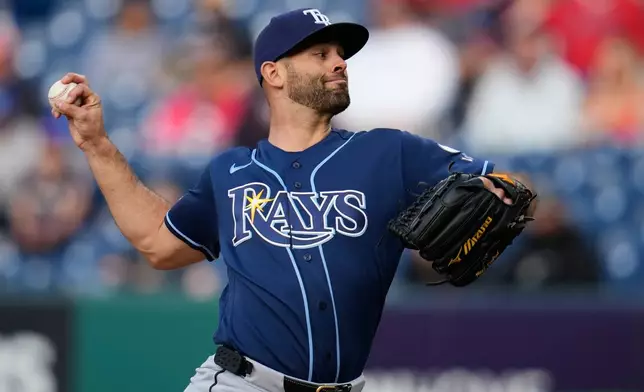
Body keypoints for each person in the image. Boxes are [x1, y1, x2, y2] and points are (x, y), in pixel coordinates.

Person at [52, 8, 533, 392]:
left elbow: (511, 184)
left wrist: (509, 192)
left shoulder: (392, 152)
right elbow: (158, 243)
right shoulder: (231, 172)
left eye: (339, 54)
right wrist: (97, 144)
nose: (339, 62)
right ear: (274, 74)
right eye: (320, 54)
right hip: (243, 383)